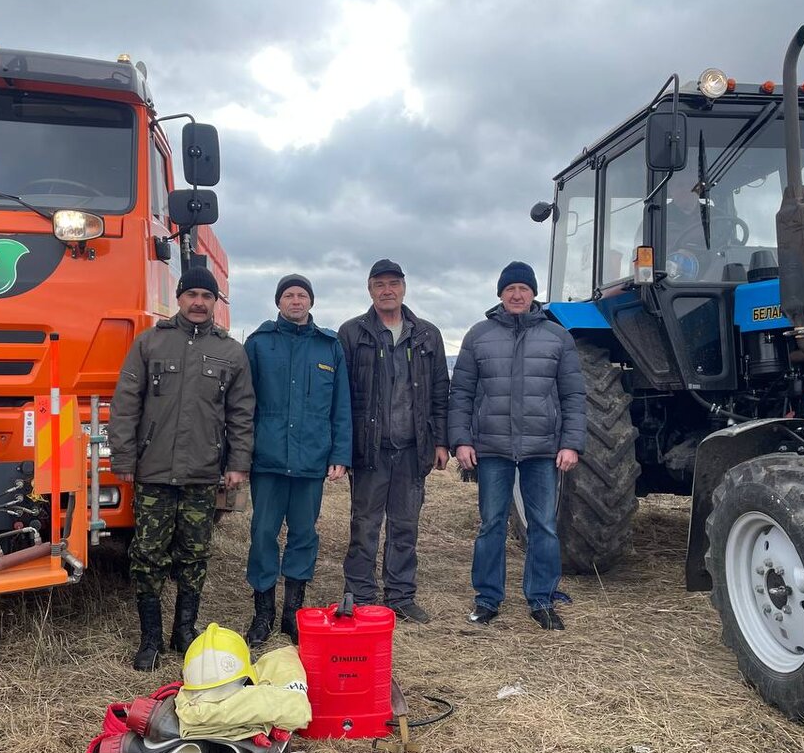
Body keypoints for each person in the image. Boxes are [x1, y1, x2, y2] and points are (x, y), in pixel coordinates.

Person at [109, 266, 254, 671]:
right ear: (179, 298)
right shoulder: (150, 343)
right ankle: (150, 639)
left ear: (215, 303)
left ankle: (184, 632)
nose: (198, 302)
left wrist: (238, 464)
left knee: (194, 555)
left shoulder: (231, 352)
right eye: (191, 294)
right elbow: (125, 405)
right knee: (147, 555)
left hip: (202, 474)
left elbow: (242, 413)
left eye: (206, 297)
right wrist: (123, 458)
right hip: (153, 472)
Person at [448, 261, 585, 631]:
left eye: (524, 288)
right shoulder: (479, 335)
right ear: (500, 294)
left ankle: (541, 598)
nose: (517, 294)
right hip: (492, 449)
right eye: (511, 289)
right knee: (491, 524)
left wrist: (571, 443)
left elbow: (573, 395)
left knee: (544, 525)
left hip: (543, 450)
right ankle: (487, 599)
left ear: (534, 293)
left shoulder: (558, 337)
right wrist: (461, 440)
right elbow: (460, 393)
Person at [338, 259, 449, 623]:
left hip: (412, 448)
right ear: (369, 290)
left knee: (405, 526)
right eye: (379, 284)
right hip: (370, 449)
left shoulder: (427, 334)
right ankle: (361, 595)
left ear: (404, 287)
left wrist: (440, 442)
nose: (387, 290)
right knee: (364, 525)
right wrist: (343, 447)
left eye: (393, 284)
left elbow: (439, 393)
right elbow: (342, 395)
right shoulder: (352, 333)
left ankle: (401, 596)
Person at [243, 274, 351, 648]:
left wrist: (340, 454)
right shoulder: (259, 344)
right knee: (262, 534)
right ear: (278, 302)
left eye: (302, 295)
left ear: (311, 302)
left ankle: (292, 612)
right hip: (268, 459)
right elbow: (243, 404)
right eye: (288, 295)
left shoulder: (329, 347)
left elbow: (341, 407)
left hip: (311, 458)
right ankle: (263, 612)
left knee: (304, 534)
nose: (295, 301)